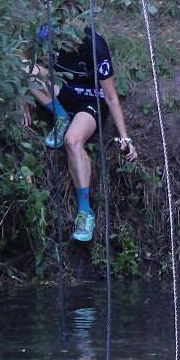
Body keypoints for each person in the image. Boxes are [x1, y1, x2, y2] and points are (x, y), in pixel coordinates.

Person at [24, 20, 137, 242]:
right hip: (63, 89)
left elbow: (112, 97)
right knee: (20, 65)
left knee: (73, 141)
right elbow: (25, 60)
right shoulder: (48, 34)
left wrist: (125, 137)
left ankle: (85, 212)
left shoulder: (95, 45)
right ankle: (60, 116)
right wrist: (24, 103)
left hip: (91, 100)